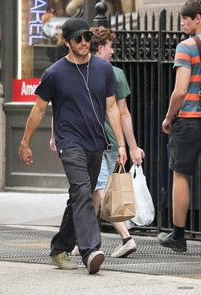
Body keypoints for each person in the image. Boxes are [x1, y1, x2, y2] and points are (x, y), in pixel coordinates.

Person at [19, 17, 127, 275]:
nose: (84, 42)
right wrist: (25, 142)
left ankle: (59, 247)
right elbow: (39, 110)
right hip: (70, 143)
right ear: (66, 41)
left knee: (78, 196)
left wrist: (121, 145)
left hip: (96, 143)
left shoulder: (103, 69)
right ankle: (90, 251)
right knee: (82, 191)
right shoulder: (54, 73)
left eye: (87, 37)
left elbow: (112, 108)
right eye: (78, 38)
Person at [71, 26, 144, 258]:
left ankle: (126, 237)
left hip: (93, 142)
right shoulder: (116, 73)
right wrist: (130, 146)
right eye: (111, 46)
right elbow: (124, 114)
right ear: (101, 47)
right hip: (113, 141)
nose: (113, 51)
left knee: (99, 190)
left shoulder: (82, 72)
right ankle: (82, 242)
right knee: (93, 193)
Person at [158, 0, 201, 252]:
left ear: (198, 18)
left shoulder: (186, 47)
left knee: (181, 174)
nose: (182, 23)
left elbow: (179, 91)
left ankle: (178, 236)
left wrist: (168, 117)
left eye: (186, 18)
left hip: (190, 120)